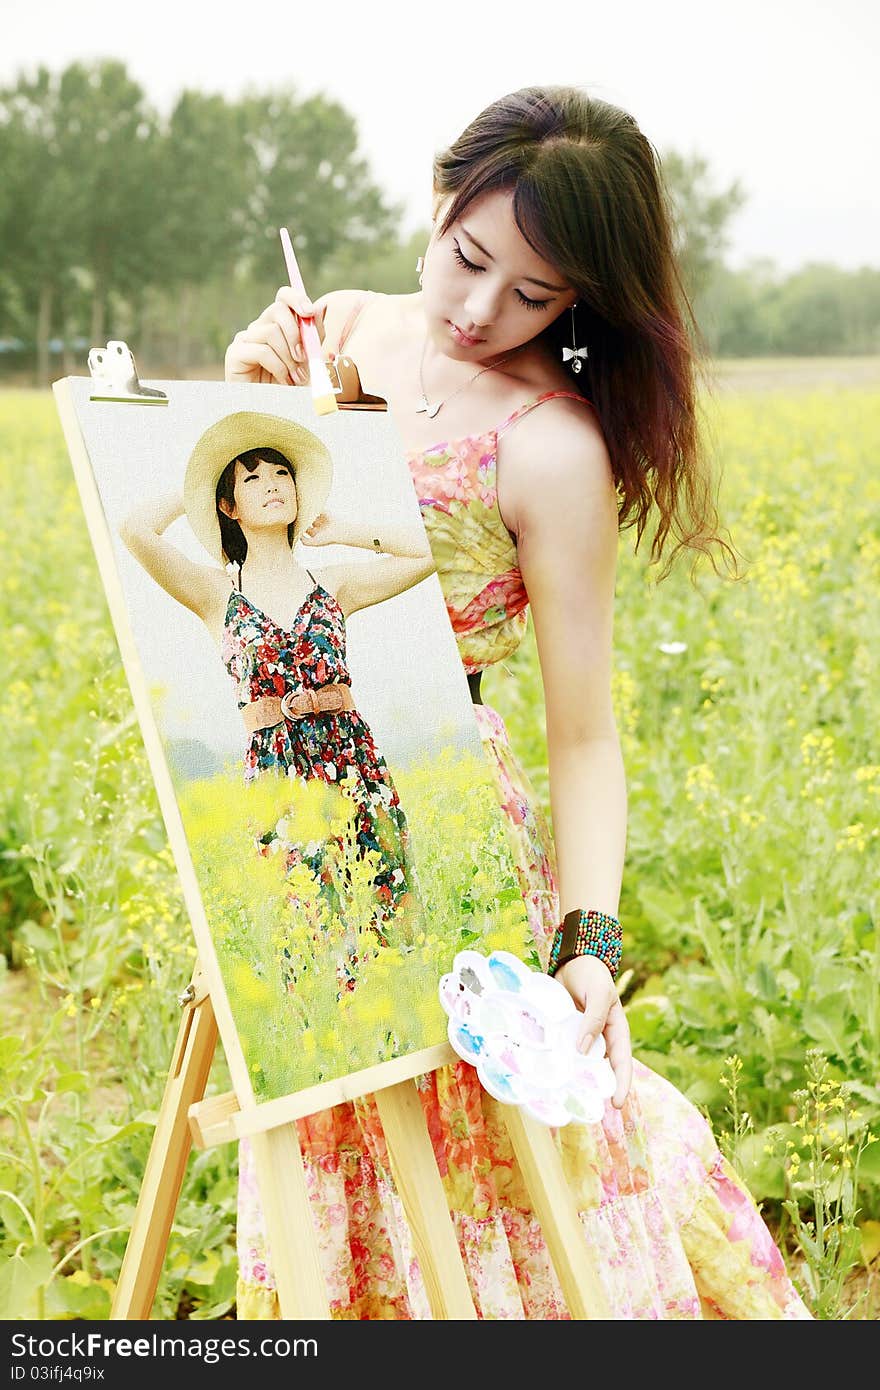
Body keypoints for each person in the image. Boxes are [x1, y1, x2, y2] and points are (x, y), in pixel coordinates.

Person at [224, 88, 811, 1318]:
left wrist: (588, 946)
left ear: (581, 303)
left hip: (438, 822)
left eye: (535, 295)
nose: (482, 311)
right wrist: (244, 398)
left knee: (472, 1127)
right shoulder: (326, 332)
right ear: (440, 200)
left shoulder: (548, 441)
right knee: (316, 1112)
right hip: (280, 801)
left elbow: (584, 733)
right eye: (469, 258)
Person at [119, 410, 434, 996]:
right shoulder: (217, 595)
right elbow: (135, 530)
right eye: (252, 477)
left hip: (352, 763)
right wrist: (199, 479)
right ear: (228, 506)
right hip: (278, 773)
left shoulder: (334, 584)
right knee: (308, 930)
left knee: (384, 923)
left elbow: (428, 552)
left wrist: (342, 530)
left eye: (283, 474)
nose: (273, 485)